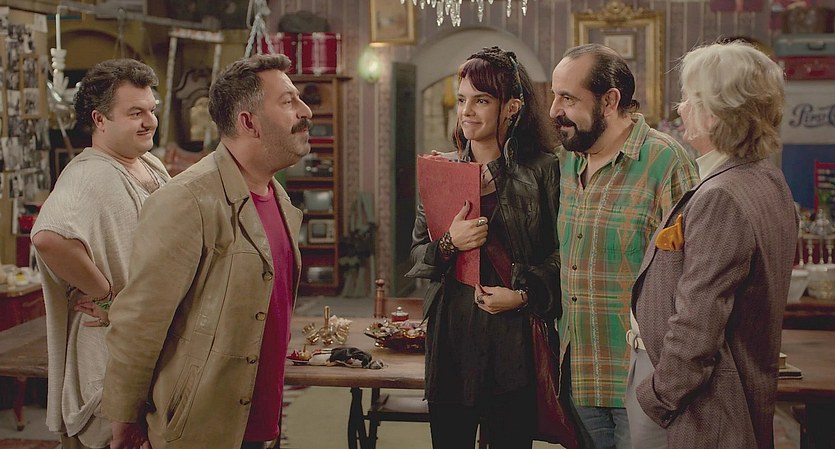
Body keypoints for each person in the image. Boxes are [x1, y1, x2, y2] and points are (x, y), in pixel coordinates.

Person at [101, 53, 310, 449]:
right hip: (198, 430)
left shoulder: (279, 198)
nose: (305, 111)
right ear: (248, 122)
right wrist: (123, 418)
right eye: (288, 101)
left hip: (258, 426)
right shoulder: (188, 199)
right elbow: (139, 323)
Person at [629, 41, 798, 449]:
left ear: (717, 112)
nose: (681, 108)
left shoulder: (722, 194)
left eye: (691, 98)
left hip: (700, 410)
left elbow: (698, 325)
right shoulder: (766, 177)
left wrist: (658, 395)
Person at [406, 46, 563, 449]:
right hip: (452, 340)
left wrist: (523, 294)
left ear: (511, 107)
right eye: (462, 100)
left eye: (481, 100)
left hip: (513, 341)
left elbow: (564, 254)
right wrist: (449, 243)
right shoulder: (442, 171)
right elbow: (418, 255)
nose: (467, 111)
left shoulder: (543, 170)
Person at [549, 43, 699, 449]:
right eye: (555, 96)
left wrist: (668, 383)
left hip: (642, 383)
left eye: (568, 98)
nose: (555, 110)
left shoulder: (666, 162)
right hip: (579, 376)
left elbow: (694, 281)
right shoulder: (567, 161)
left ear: (610, 101)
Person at [31, 58, 169, 449]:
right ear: (100, 119)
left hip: (139, 346)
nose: (149, 121)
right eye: (135, 113)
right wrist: (107, 295)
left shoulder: (147, 162)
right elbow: (48, 238)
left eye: (151, 110)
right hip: (107, 357)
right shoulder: (89, 174)